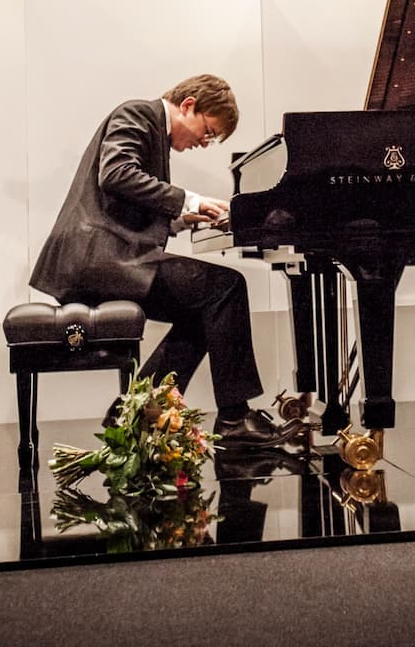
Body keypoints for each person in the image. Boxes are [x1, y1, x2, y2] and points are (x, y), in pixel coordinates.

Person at [29, 74, 295, 449]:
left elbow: (128, 205)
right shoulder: (137, 113)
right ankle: (234, 418)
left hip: (106, 257)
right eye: (209, 131)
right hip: (96, 260)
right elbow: (116, 174)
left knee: (206, 307)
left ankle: (137, 413)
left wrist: (184, 220)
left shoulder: (151, 130)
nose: (205, 143)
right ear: (188, 105)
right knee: (227, 287)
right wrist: (190, 199)